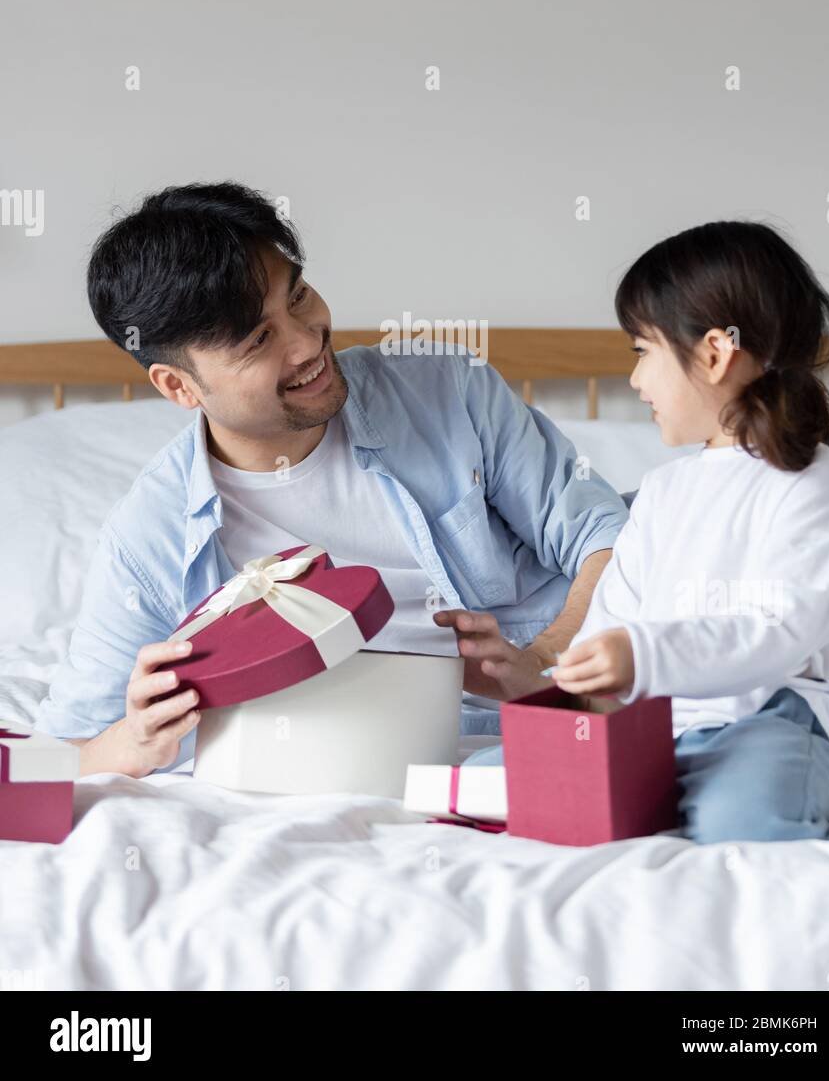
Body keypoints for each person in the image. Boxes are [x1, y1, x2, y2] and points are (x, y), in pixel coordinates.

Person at [33, 181, 629, 777]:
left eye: (297, 297)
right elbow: (58, 757)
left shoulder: (446, 387)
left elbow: (608, 537)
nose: (306, 342)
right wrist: (134, 743)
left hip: (548, 714)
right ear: (178, 386)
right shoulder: (151, 536)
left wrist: (545, 661)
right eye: (258, 340)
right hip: (341, 769)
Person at [465, 221, 829, 844]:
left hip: (770, 719)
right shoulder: (664, 492)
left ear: (712, 352)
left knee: (740, 817)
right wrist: (545, 676)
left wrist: (643, 658)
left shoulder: (804, 476)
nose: (634, 380)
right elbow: (610, 627)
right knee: (488, 781)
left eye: (641, 352)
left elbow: (781, 631)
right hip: (658, 728)